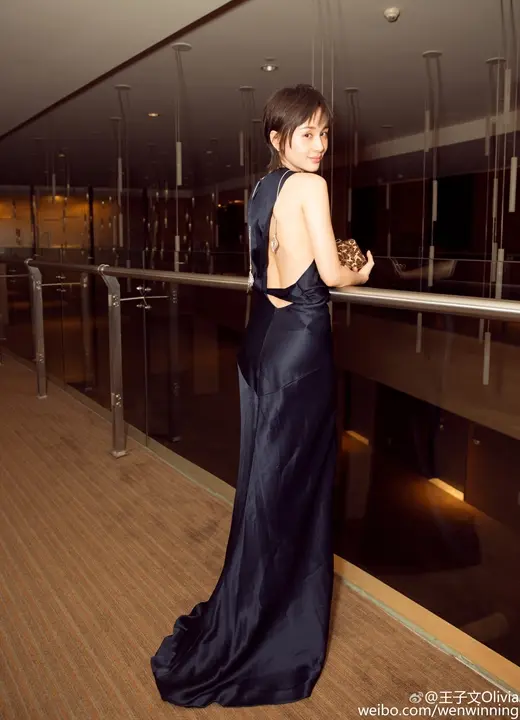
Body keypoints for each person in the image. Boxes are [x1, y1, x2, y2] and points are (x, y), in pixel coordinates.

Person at [151, 83, 374, 708]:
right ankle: (267, 635)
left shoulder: (260, 189)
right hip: (300, 350)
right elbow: (330, 274)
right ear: (279, 138)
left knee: (263, 487)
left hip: (260, 341)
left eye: (324, 133)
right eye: (307, 134)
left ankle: (248, 612)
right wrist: (362, 270)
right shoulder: (311, 186)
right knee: (294, 493)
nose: (319, 145)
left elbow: (267, 268)